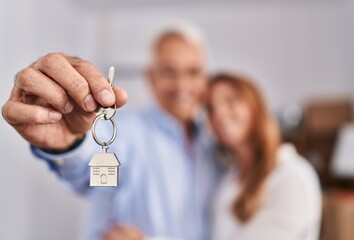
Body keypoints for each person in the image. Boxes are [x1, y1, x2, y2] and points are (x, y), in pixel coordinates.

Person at [2, 24, 224, 240]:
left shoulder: (214, 146)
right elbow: (86, 163)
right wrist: (70, 143)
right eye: (168, 71)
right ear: (151, 77)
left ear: (206, 79)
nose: (181, 84)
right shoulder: (127, 131)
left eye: (193, 72)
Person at [207, 73, 322, 240]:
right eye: (210, 108)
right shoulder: (229, 180)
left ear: (255, 106)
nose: (219, 113)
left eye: (230, 101)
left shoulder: (291, 175)